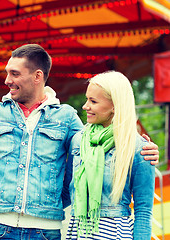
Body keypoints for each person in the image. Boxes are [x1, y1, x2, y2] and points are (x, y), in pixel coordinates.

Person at [0, 44, 159, 239]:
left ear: (37, 76)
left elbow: (142, 208)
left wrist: (49, 204)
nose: (7, 80)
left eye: (14, 73)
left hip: (49, 230)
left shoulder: (67, 118)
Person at [66, 71, 155, 239]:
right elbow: (67, 190)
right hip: (78, 231)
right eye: (87, 99)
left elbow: (143, 211)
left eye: (93, 101)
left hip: (114, 233)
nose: (85, 106)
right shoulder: (78, 140)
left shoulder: (138, 148)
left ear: (115, 105)